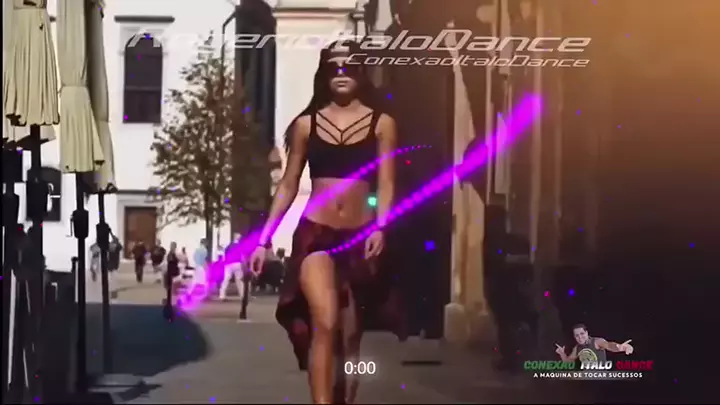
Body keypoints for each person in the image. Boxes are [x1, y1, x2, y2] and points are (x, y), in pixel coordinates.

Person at [249, 41, 406, 404]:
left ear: (361, 72)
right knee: (326, 321)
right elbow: (288, 184)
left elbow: (387, 183)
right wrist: (263, 239)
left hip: (360, 237)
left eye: (349, 66)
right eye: (333, 67)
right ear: (323, 74)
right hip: (316, 235)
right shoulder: (306, 125)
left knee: (350, 338)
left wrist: (381, 226)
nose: (341, 73)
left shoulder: (383, 124)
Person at [555, 324, 634, 363]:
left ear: (587, 333)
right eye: (577, 335)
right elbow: (568, 361)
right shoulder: (577, 348)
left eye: (582, 334)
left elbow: (609, 345)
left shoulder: (596, 341)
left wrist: (619, 347)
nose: (580, 337)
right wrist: (562, 353)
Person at [219, 233, 247, 303]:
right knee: (239, 280)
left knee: (226, 279)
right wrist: (244, 264)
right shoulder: (240, 246)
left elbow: (224, 255)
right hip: (237, 263)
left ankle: (222, 295)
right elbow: (243, 256)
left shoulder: (228, 246)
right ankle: (243, 295)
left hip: (228, 264)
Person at [163, 242, 180, 319]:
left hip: (171, 273)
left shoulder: (171, 254)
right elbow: (171, 263)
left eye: (174, 246)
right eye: (173, 246)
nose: (174, 248)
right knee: (170, 289)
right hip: (170, 273)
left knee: (170, 289)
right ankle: (169, 304)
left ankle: (169, 303)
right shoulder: (171, 254)